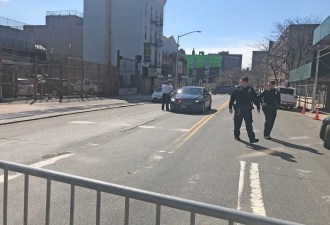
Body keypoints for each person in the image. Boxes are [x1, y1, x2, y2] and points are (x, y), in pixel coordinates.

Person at [229, 77, 260, 143]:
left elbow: (255, 98)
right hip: (239, 110)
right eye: (240, 82)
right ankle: (236, 136)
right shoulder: (237, 89)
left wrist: (258, 107)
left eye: (241, 81)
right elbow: (232, 99)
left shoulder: (250, 89)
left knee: (249, 125)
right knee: (237, 124)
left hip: (247, 110)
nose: (240, 83)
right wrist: (230, 107)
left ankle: (252, 139)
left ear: (245, 82)